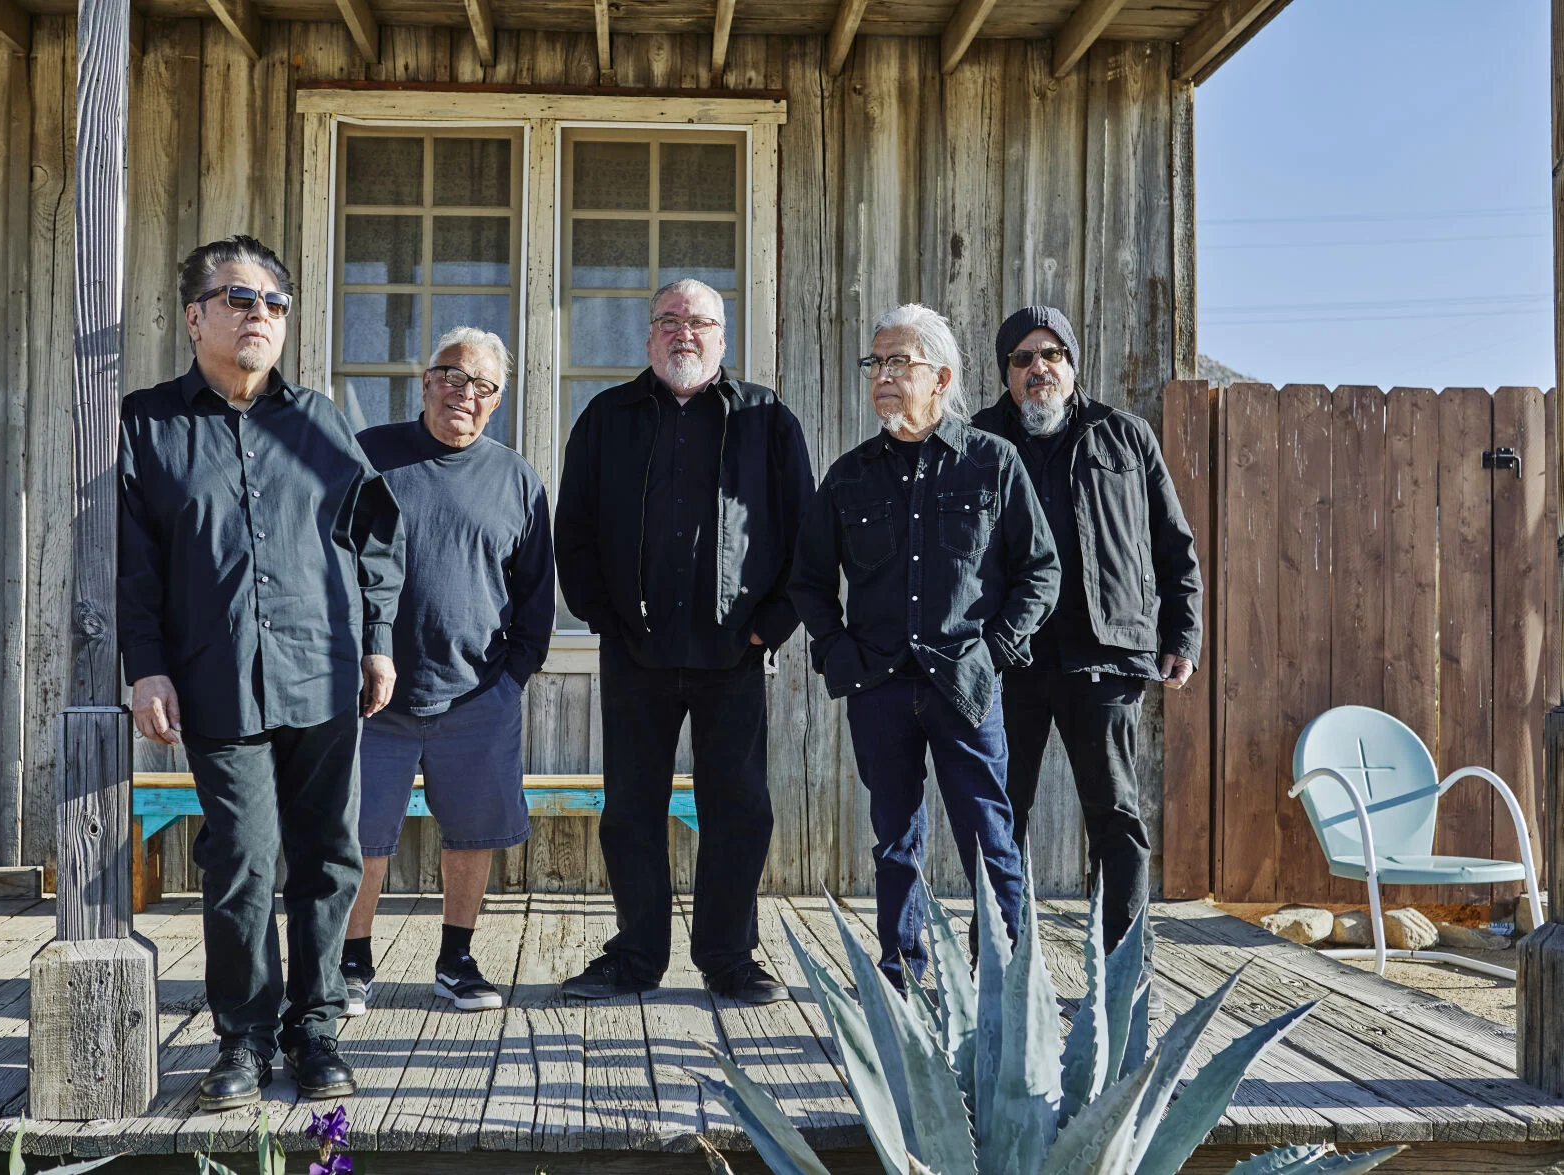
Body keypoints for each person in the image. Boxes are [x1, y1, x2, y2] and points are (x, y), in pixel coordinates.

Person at [117, 236, 403, 1112]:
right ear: (194, 314)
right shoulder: (148, 423)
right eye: (239, 299)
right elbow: (131, 561)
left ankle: (314, 1028)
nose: (259, 316)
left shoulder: (318, 421)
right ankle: (242, 1035)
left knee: (327, 855)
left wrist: (378, 638)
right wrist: (147, 667)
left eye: (274, 303)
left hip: (322, 673)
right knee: (239, 856)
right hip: (216, 678)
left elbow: (373, 539)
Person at [554, 278, 814, 1003]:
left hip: (732, 652)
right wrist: (605, 618)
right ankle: (635, 957)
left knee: (739, 808)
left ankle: (728, 958)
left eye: (698, 321)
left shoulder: (766, 419)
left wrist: (769, 625)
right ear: (647, 336)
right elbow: (571, 532)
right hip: (634, 652)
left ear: (722, 337)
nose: (683, 333)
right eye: (668, 320)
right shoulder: (607, 418)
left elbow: (806, 537)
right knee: (630, 810)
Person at [790, 303, 1059, 990]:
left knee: (990, 840)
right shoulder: (849, 476)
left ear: (938, 376)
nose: (881, 376)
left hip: (965, 688)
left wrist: (992, 652)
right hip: (879, 687)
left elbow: (1040, 570)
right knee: (895, 843)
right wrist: (836, 652)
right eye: (874, 363)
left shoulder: (990, 462)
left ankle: (1003, 981)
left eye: (896, 362)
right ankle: (899, 977)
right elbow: (809, 580)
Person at [972, 305, 1202, 955]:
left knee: (1115, 818)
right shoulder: (976, 440)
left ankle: (1121, 971)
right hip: (1005, 660)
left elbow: (1172, 544)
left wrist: (1181, 633)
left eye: (1052, 354)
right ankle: (997, 965)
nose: (1038, 367)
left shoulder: (1123, 436)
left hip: (1104, 654)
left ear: (1072, 365)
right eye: (1022, 357)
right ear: (1006, 372)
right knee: (997, 816)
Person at [341, 327, 553, 1014]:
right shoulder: (371, 456)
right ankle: (351, 962)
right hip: (372, 698)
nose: (466, 393)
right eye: (453, 377)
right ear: (426, 380)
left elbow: (534, 596)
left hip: (478, 694)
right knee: (363, 833)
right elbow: (330, 564)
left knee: (473, 832)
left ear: (498, 399)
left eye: (483, 385)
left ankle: (456, 959)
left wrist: (512, 678)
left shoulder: (516, 478)